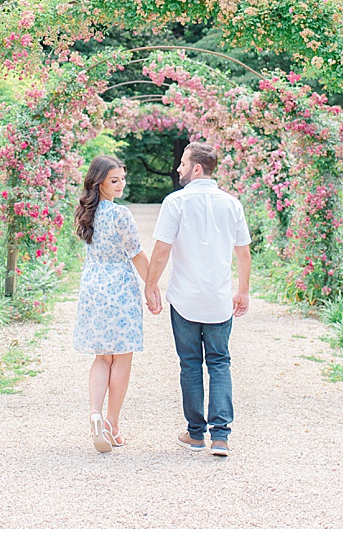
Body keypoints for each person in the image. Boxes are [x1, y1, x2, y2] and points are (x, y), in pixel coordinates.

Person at [144, 142, 251, 457]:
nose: (178, 168)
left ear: (197, 168)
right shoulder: (232, 205)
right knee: (219, 363)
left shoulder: (175, 202)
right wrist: (242, 290)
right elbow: (243, 253)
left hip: (185, 299)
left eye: (183, 163)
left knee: (190, 364)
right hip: (218, 299)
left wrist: (151, 285)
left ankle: (195, 434)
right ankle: (221, 437)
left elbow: (162, 250)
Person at [72, 155, 150, 454]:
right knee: (122, 357)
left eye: (122, 179)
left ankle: (94, 413)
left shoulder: (86, 213)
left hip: (92, 285)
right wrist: (151, 287)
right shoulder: (120, 215)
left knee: (102, 356)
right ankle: (111, 424)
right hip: (119, 286)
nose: (120, 185)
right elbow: (137, 255)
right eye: (114, 180)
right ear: (99, 181)